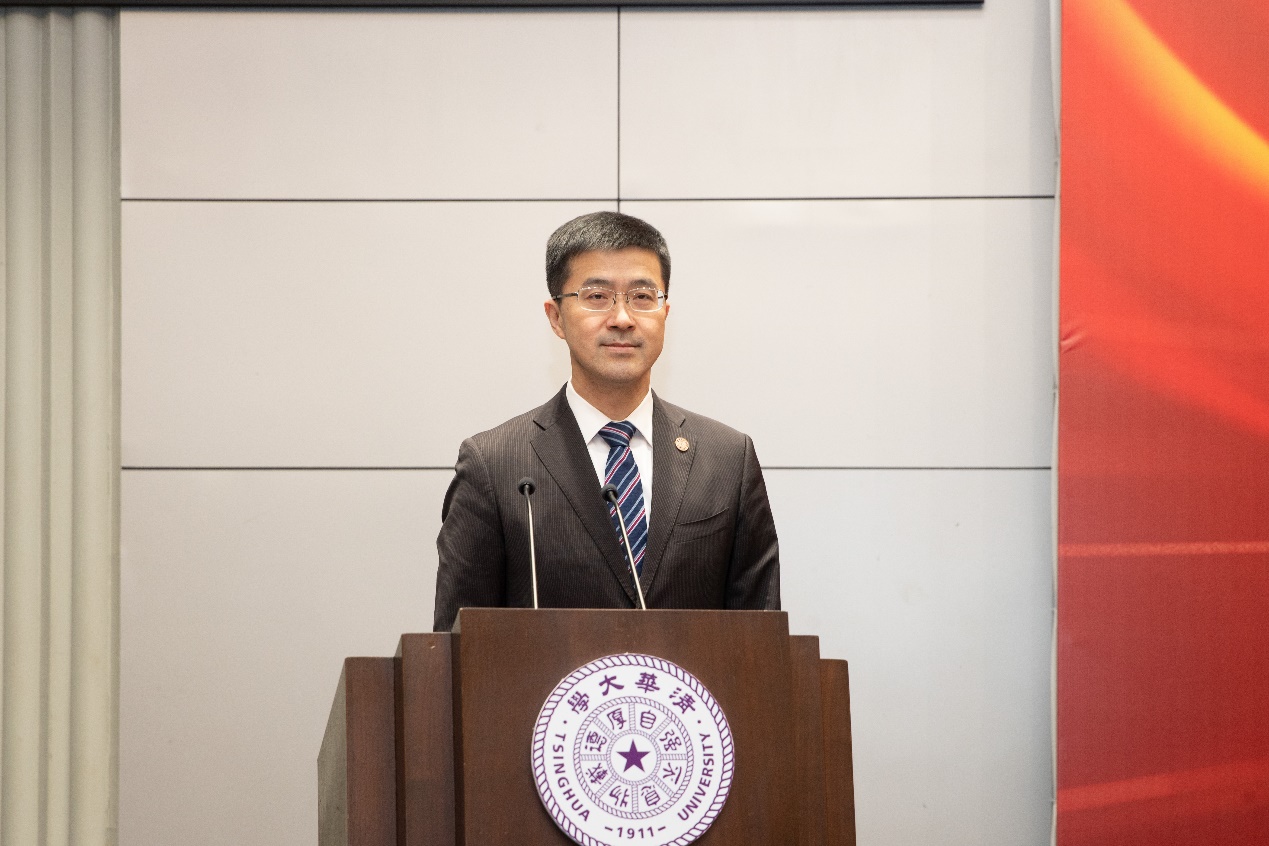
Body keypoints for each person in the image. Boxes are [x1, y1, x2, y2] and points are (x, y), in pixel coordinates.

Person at [432, 211, 780, 632]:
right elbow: (457, 646)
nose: (622, 318)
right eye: (597, 296)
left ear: (665, 312)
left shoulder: (727, 459)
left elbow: (761, 638)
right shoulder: (494, 463)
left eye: (642, 296)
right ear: (556, 317)